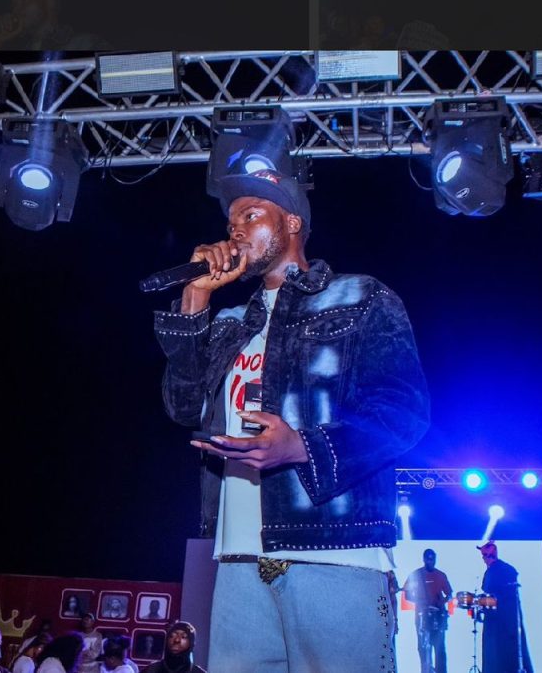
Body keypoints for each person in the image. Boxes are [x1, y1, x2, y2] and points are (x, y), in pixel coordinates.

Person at [153, 167, 431, 672]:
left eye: (251, 214)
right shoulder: (229, 324)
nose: (236, 229)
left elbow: (404, 411)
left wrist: (303, 447)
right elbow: (184, 407)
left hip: (335, 550)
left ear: (293, 223)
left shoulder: (360, 297)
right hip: (238, 557)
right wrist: (194, 301)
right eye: (231, 220)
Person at [479, 541, 533, 673]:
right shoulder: (491, 571)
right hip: (495, 622)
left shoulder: (504, 570)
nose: (483, 558)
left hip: (506, 624)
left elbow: (503, 597)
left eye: (485, 555)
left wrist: (486, 601)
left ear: (490, 555)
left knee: (506, 655)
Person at [402, 548, 454, 673]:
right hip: (422, 616)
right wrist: (420, 601)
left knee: (440, 648)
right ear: (424, 559)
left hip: (438, 615)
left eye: (433, 559)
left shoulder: (441, 575)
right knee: (423, 648)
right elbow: (406, 594)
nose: (431, 561)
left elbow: (449, 594)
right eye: (429, 559)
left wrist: (442, 602)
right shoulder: (416, 575)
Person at [141, 622, 207, 673]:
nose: (177, 640)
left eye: (183, 637)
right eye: (172, 636)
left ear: (191, 643)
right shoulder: (150, 670)